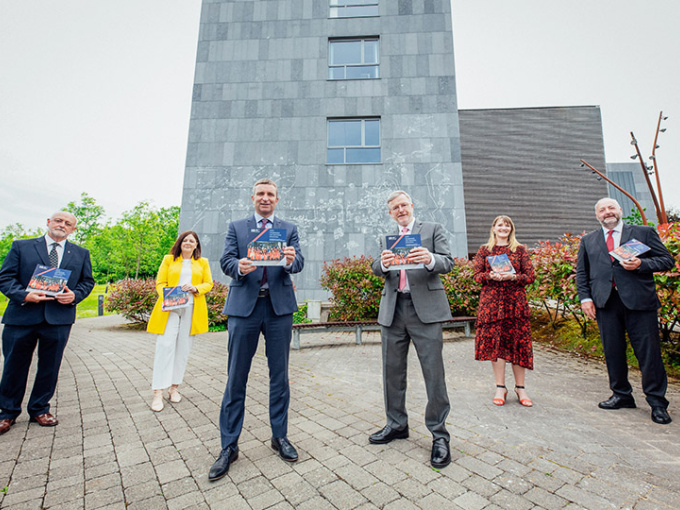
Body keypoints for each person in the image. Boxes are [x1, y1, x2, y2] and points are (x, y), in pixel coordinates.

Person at [209, 178, 304, 482]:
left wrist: (290, 261)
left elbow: (299, 261)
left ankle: (280, 436)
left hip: (278, 309)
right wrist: (239, 267)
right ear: (253, 198)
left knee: (280, 376)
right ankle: (229, 445)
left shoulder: (288, 229)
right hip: (243, 308)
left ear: (277, 199)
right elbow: (226, 261)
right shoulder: (237, 227)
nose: (265, 198)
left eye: (271, 195)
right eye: (261, 194)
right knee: (236, 376)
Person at [369, 190, 454, 469]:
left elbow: (448, 262)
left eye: (404, 205)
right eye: (395, 207)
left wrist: (429, 258)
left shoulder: (432, 229)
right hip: (393, 311)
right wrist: (383, 263)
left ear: (411, 206)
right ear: (390, 212)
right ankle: (396, 424)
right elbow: (374, 267)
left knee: (433, 374)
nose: (400, 210)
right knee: (392, 372)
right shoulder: (386, 239)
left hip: (425, 311)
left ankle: (439, 435)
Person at [576, 198, 674, 424]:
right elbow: (583, 273)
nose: (607, 212)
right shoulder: (588, 240)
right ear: (596, 215)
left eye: (611, 208)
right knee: (613, 351)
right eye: (601, 210)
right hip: (606, 303)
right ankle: (621, 395)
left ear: (620, 210)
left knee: (649, 353)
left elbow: (666, 260)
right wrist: (586, 299)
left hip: (639, 302)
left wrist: (641, 265)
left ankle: (658, 403)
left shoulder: (643, 232)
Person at [0, 211, 95, 435]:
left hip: (58, 318)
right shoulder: (21, 246)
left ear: (73, 229)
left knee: (50, 367)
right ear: (48, 222)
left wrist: (75, 296)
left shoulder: (81, 253)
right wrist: (24, 295)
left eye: (68, 223)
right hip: (22, 316)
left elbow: (87, 281)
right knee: (14, 366)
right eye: (58, 221)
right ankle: (6, 412)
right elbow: (5, 277)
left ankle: (40, 409)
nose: (62, 225)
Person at [146, 231, 213, 412]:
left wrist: (195, 288)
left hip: (192, 308)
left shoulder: (202, 262)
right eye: (185, 240)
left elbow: (209, 283)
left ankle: (174, 388)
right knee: (165, 346)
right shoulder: (169, 260)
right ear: (180, 243)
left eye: (192, 241)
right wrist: (168, 296)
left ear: (197, 245)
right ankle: (158, 392)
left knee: (183, 349)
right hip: (170, 308)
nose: (188, 243)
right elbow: (160, 283)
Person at [473, 216, 536, 407]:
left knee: (518, 344)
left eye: (507, 225)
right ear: (493, 228)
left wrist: (513, 276)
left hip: (515, 304)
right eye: (500, 225)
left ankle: (520, 388)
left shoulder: (520, 250)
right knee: (497, 345)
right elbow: (476, 276)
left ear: (511, 229)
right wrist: (489, 275)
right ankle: (500, 386)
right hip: (492, 305)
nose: (503, 228)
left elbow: (530, 276)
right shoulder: (485, 250)